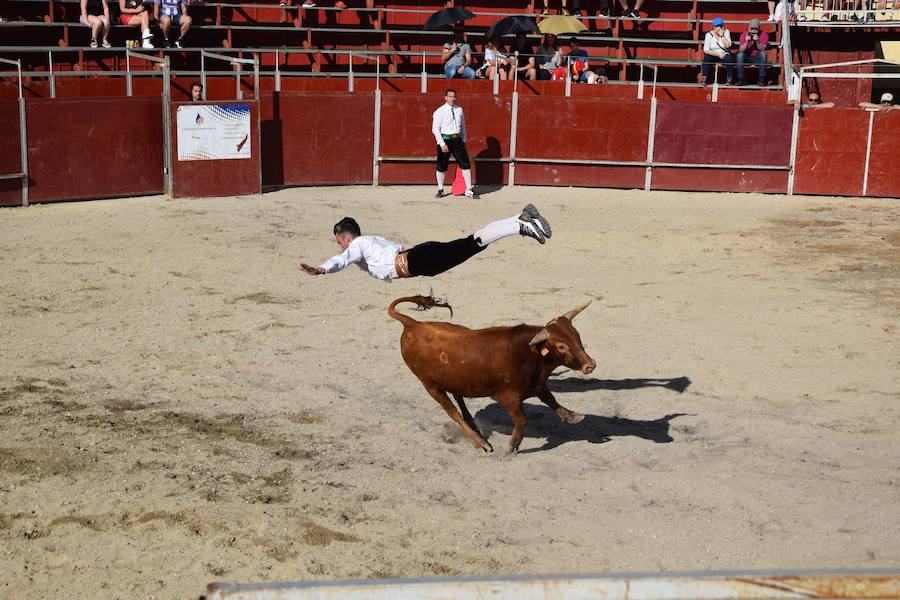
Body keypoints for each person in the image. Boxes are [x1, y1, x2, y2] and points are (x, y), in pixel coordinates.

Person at [299, 206, 553, 282]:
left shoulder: (356, 245)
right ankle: (518, 218)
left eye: (340, 242)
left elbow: (341, 260)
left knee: (471, 244)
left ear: (347, 238)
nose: (341, 247)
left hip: (416, 261)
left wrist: (322, 269)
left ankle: (519, 225)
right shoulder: (369, 242)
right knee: (469, 244)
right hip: (418, 256)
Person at [432, 89, 478, 199]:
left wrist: (463, 139)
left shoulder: (459, 110)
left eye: (454, 97)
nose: (452, 99)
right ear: (445, 98)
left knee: (465, 163)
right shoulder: (439, 111)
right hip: (445, 139)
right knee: (442, 165)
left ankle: (469, 189)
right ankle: (440, 189)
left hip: (457, 139)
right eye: (450, 97)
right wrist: (442, 144)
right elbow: (435, 129)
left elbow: (462, 126)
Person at [701, 17, 735, 86]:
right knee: (706, 58)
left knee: (729, 59)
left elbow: (727, 46)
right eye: (717, 26)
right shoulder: (709, 35)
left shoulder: (726, 32)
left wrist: (722, 35)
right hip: (713, 54)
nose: (719, 28)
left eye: (720, 26)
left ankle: (729, 79)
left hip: (724, 54)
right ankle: (705, 78)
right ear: (713, 27)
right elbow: (706, 50)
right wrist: (718, 54)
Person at [736, 19, 768, 87]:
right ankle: (741, 79)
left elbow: (762, 49)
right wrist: (746, 41)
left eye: (755, 29)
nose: (753, 30)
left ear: (759, 28)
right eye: (752, 28)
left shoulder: (764, 35)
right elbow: (741, 50)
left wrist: (758, 41)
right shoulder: (744, 35)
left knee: (763, 54)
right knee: (739, 55)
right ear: (749, 27)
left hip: (757, 57)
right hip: (747, 57)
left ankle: (762, 79)